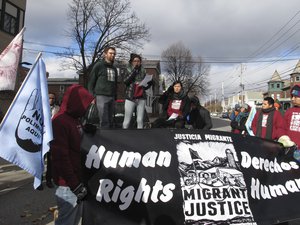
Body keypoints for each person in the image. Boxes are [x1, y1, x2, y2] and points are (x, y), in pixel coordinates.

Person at [51, 84, 94, 225]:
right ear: (77, 102)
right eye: (85, 104)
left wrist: (87, 131)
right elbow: (60, 158)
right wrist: (74, 184)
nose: (86, 108)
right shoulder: (60, 121)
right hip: (68, 186)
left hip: (75, 182)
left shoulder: (74, 120)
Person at [88, 46, 118, 128]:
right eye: (110, 53)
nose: (113, 55)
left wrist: (115, 97)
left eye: (114, 54)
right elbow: (91, 82)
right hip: (101, 96)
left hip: (111, 97)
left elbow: (115, 83)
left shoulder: (114, 68)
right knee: (104, 121)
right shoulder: (99, 65)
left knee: (111, 121)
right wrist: (92, 96)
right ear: (105, 54)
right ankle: (105, 139)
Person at [122, 53, 152, 129]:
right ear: (132, 62)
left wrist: (149, 82)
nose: (137, 62)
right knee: (127, 120)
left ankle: (140, 137)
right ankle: (123, 137)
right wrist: (134, 71)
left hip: (141, 96)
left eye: (138, 61)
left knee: (140, 120)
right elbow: (126, 81)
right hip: (130, 97)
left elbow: (146, 85)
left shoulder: (143, 71)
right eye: (135, 61)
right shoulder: (128, 70)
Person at [45, 92, 60, 188]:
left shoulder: (58, 109)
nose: (51, 99)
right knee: (41, 159)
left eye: (53, 98)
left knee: (51, 160)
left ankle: (49, 179)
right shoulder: (42, 107)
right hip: (43, 137)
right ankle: (38, 178)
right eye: (49, 98)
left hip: (52, 137)